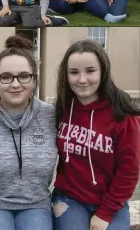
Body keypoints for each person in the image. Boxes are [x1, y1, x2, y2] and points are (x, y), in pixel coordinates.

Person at [0, 35, 56, 230]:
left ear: (34, 79)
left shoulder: (51, 116)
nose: (15, 84)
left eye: (24, 76)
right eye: (6, 77)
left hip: (36, 202)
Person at [53, 40, 140, 230]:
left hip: (111, 201)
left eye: (90, 71)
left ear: (103, 71)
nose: (82, 79)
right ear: (66, 75)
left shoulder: (123, 115)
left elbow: (129, 171)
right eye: (74, 72)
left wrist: (105, 213)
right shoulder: (63, 109)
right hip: (69, 197)